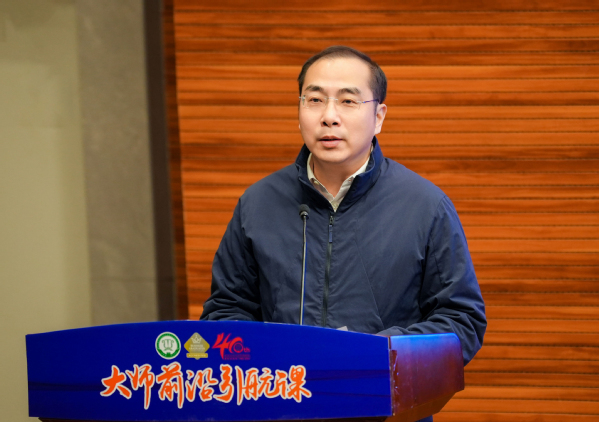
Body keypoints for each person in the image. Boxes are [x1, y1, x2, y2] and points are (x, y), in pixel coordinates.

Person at [201, 46, 486, 420]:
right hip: (282, 407)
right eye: (315, 100)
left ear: (378, 116)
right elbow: (225, 310)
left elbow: (461, 320)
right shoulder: (257, 203)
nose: (329, 116)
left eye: (348, 101)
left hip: (385, 411)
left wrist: (374, 356)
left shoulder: (425, 205)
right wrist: (269, 357)